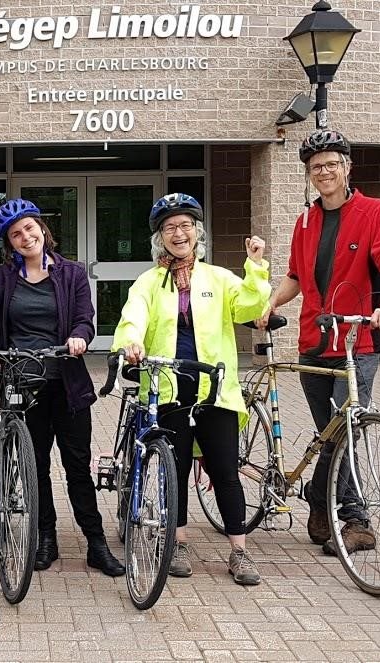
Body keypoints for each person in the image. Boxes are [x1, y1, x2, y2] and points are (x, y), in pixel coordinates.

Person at [260, 129, 380, 556]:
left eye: (331, 164)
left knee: (346, 427)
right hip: (313, 340)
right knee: (330, 433)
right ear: (309, 175)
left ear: (347, 168)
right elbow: (295, 276)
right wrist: (271, 302)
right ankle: (326, 502)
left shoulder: (374, 211)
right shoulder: (305, 220)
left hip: (358, 338)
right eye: (315, 167)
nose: (323, 172)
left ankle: (352, 515)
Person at [112, 193, 269, 586]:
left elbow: (249, 308)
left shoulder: (217, 277)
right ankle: (178, 542)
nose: (178, 233)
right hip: (168, 388)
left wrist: (256, 267)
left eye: (185, 226)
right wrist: (131, 343)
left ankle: (239, 552)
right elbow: (132, 319)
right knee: (175, 469)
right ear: (159, 237)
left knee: (225, 471)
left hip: (215, 389)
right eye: (169, 228)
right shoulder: (149, 282)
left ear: (197, 233)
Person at [0, 198, 125, 577]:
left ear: (42, 229)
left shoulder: (71, 273)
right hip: (24, 385)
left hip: (67, 384)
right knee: (35, 465)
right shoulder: (2, 278)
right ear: (9, 243)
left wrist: (78, 336)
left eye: (30, 228)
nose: (25, 237)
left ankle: (96, 543)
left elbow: (85, 318)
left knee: (77, 465)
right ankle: (47, 538)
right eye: (16, 234)